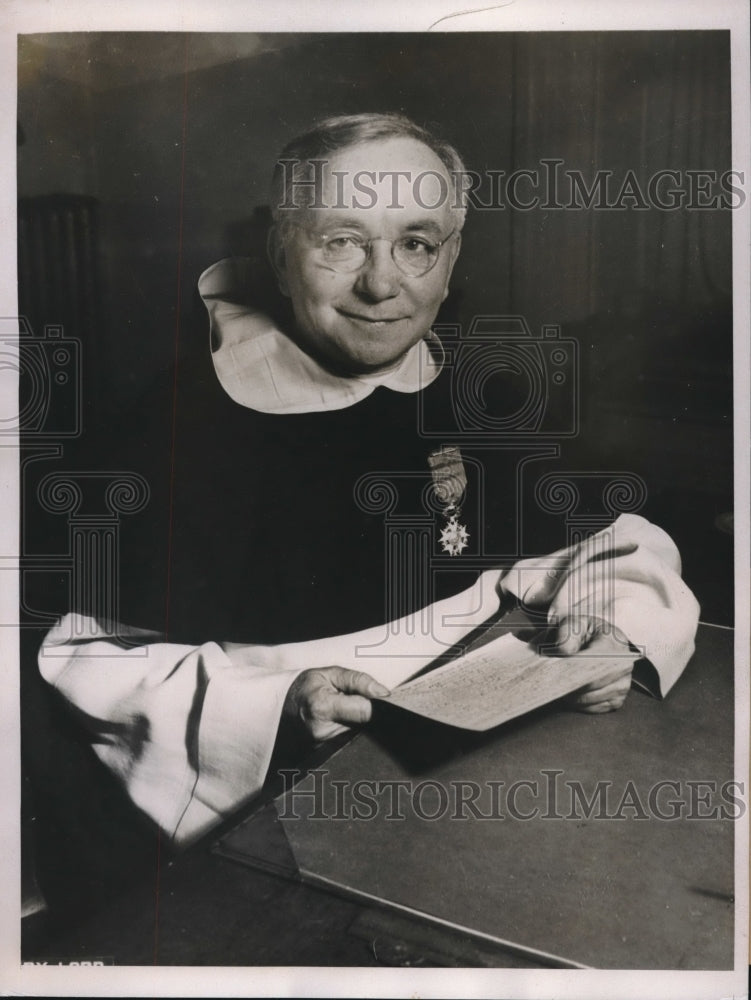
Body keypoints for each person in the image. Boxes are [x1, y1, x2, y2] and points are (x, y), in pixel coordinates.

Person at [35, 113, 700, 856]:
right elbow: (85, 656)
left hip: (498, 751)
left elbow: (597, 544)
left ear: (449, 263)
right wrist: (268, 709)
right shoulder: (166, 428)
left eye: (415, 244)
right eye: (340, 241)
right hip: (281, 794)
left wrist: (607, 631)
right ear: (280, 255)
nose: (381, 283)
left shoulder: (484, 389)